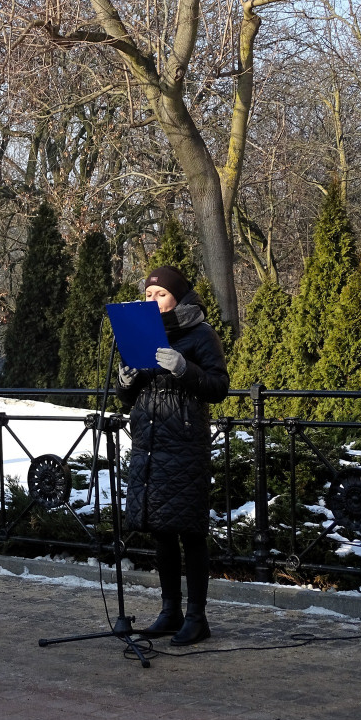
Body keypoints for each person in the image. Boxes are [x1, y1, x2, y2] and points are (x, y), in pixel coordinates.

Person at [115, 265, 229, 646]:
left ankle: (197, 617)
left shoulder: (200, 334)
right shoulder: (142, 335)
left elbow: (218, 387)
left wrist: (185, 369)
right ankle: (169, 610)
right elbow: (130, 397)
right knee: (161, 530)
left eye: (160, 295)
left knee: (190, 532)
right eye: (148, 296)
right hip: (149, 445)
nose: (153, 301)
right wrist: (125, 382)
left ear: (178, 296)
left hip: (184, 445)